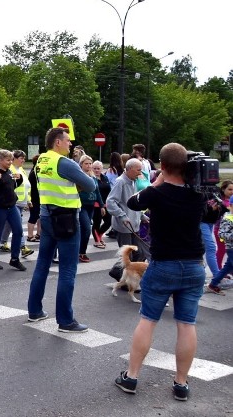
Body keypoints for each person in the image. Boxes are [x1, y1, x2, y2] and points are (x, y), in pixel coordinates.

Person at [114, 143, 205, 402]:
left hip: (164, 264)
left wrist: (157, 182)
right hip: (193, 265)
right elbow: (212, 211)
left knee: (148, 320)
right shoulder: (198, 194)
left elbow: (133, 202)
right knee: (187, 324)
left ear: (162, 167)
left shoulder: (157, 193)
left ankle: (131, 377)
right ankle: (181, 383)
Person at [27, 127, 96, 333]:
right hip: (66, 218)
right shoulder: (64, 163)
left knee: (42, 264)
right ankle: (65, 320)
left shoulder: (42, 160)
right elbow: (91, 185)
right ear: (58, 142)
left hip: (47, 216)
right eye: (67, 140)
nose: (70, 144)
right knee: (67, 270)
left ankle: (35, 311)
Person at [0, 150, 27, 271]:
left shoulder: (9, 172)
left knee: (18, 231)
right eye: (8, 160)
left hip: (11, 206)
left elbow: (10, 187)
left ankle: (14, 259)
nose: (10, 162)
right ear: (0, 160)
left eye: (11, 160)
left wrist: (19, 180)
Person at [106, 158, 146, 259]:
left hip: (134, 225)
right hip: (124, 227)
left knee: (140, 253)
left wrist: (141, 216)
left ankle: (130, 273)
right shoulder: (120, 181)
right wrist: (122, 216)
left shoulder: (134, 181)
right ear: (129, 169)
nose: (140, 173)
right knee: (128, 257)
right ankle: (121, 273)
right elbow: (110, 202)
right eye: (138, 170)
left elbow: (134, 202)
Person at [0, 150, 35, 258]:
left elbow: (26, 186)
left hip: (22, 202)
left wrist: (29, 200)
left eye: (24, 158)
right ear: (14, 159)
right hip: (14, 203)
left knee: (9, 225)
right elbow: (10, 186)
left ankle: (2, 242)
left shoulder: (22, 170)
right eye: (21, 158)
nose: (23, 160)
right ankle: (23, 247)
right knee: (18, 226)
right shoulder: (11, 170)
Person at [76, 154, 104, 263]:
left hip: (91, 206)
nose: (88, 166)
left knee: (84, 229)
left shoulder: (93, 177)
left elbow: (97, 192)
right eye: (86, 163)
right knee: (86, 228)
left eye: (90, 163)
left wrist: (101, 205)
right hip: (81, 205)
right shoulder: (79, 176)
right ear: (81, 165)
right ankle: (81, 252)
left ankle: (81, 251)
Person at [90, 160, 112, 247]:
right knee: (97, 222)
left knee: (109, 221)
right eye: (94, 168)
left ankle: (99, 235)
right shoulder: (91, 178)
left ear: (102, 169)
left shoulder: (105, 177)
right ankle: (97, 241)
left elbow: (109, 190)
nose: (96, 170)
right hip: (96, 204)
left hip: (106, 204)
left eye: (98, 168)